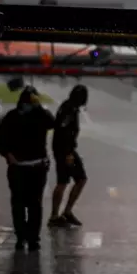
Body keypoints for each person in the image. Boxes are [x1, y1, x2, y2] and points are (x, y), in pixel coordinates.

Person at [0, 86, 56, 251]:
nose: (29, 104)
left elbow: (52, 123)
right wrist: (7, 155)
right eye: (27, 101)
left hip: (37, 167)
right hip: (18, 168)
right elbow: (0, 138)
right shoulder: (12, 116)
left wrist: (40, 107)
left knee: (35, 204)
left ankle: (33, 238)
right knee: (19, 204)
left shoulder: (40, 116)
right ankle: (21, 237)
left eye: (32, 101)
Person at [50, 84, 89, 228]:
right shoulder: (69, 110)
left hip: (65, 149)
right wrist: (68, 153)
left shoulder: (69, 107)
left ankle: (63, 213)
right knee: (70, 180)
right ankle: (58, 214)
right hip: (64, 150)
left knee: (71, 180)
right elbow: (63, 131)